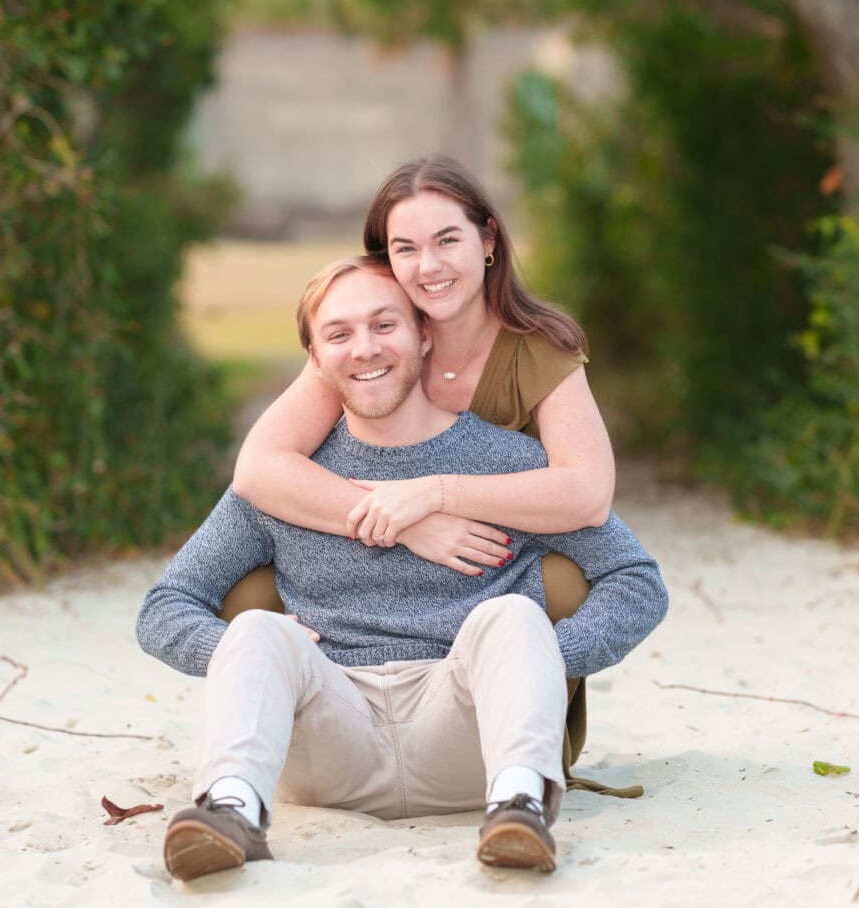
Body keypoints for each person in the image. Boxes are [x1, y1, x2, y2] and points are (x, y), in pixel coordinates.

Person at [136, 258, 668, 881]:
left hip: (463, 730)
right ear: (316, 357)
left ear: (422, 334)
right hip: (330, 734)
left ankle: (522, 806)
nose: (364, 349)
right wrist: (246, 652)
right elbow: (164, 607)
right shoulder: (287, 482)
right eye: (338, 334)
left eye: (383, 324)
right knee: (257, 630)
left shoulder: (505, 462)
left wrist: (546, 658)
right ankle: (231, 811)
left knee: (512, 617)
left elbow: (637, 582)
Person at [227, 155, 618, 787]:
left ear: (488, 240)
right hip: (370, 599)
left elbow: (589, 493)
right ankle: (285, 726)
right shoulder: (373, 346)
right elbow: (259, 468)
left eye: (448, 241)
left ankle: (520, 729)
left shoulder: (540, 348)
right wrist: (402, 523)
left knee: (569, 576)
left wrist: (436, 495)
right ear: (385, 260)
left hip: (483, 588)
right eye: (405, 248)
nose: (428, 267)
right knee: (245, 588)